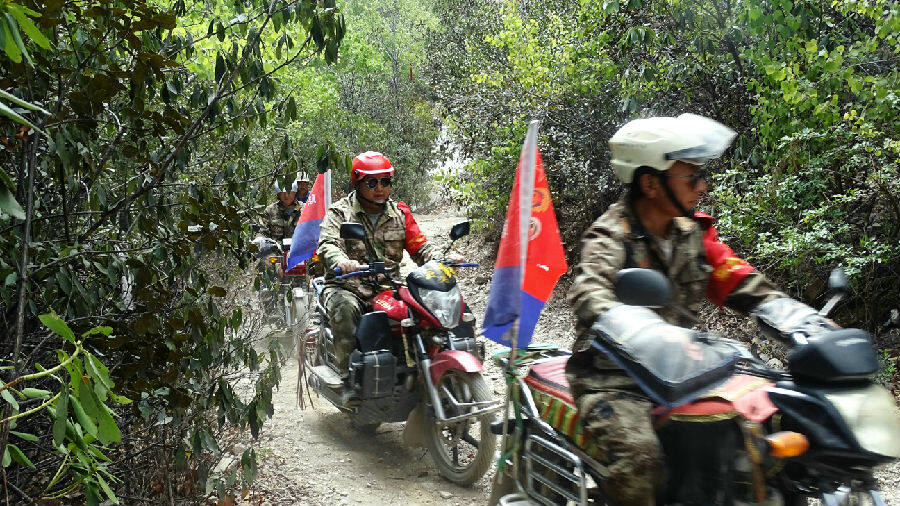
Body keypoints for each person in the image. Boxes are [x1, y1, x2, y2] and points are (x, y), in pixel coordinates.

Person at [566, 114, 835, 505]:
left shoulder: (690, 233)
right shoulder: (610, 236)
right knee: (642, 461)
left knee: (768, 432)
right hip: (615, 379)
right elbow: (591, 291)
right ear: (650, 183)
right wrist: (627, 323)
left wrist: (798, 318)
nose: (702, 186)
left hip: (686, 373)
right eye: (691, 178)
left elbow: (735, 277)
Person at [317, 151, 438, 378]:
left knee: (427, 312)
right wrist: (342, 262)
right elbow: (327, 244)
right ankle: (349, 376)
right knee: (344, 310)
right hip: (348, 286)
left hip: (389, 288)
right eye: (372, 182)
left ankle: (425, 367)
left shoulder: (400, 213)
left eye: (385, 181)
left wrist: (441, 260)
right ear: (358, 182)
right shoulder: (340, 212)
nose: (380, 187)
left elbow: (420, 246)